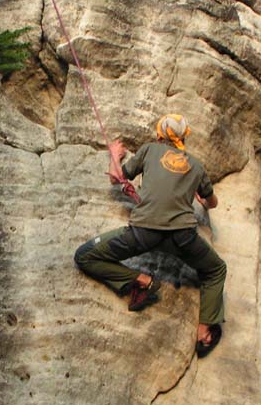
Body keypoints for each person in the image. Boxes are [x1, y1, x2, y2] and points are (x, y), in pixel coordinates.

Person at [74, 114, 227, 358]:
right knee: (216, 270)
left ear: (159, 134)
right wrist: (203, 201)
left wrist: (114, 154)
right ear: (183, 138)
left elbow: (116, 178)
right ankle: (204, 331)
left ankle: (142, 280)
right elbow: (212, 202)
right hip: (182, 237)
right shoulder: (196, 166)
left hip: (143, 233)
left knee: (85, 256)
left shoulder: (149, 150)